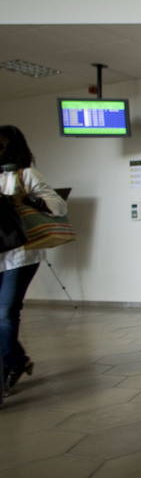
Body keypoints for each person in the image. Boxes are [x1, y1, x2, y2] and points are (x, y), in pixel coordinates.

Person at [0, 125, 68, 393]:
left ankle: (7, 368)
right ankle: (17, 360)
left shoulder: (26, 174)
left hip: (21, 255)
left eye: (3, 145)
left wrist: (29, 200)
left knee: (5, 314)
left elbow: (59, 206)